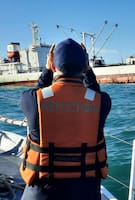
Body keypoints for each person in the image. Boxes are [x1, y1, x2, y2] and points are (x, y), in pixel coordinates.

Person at [19, 38, 111, 200]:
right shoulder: (102, 102)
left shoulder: (32, 100)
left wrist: (47, 71)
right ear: (84, 66)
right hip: (86, 193)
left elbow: (37, 91)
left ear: (53, 66)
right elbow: (95, 93)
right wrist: (88, 71)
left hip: (42, 193)